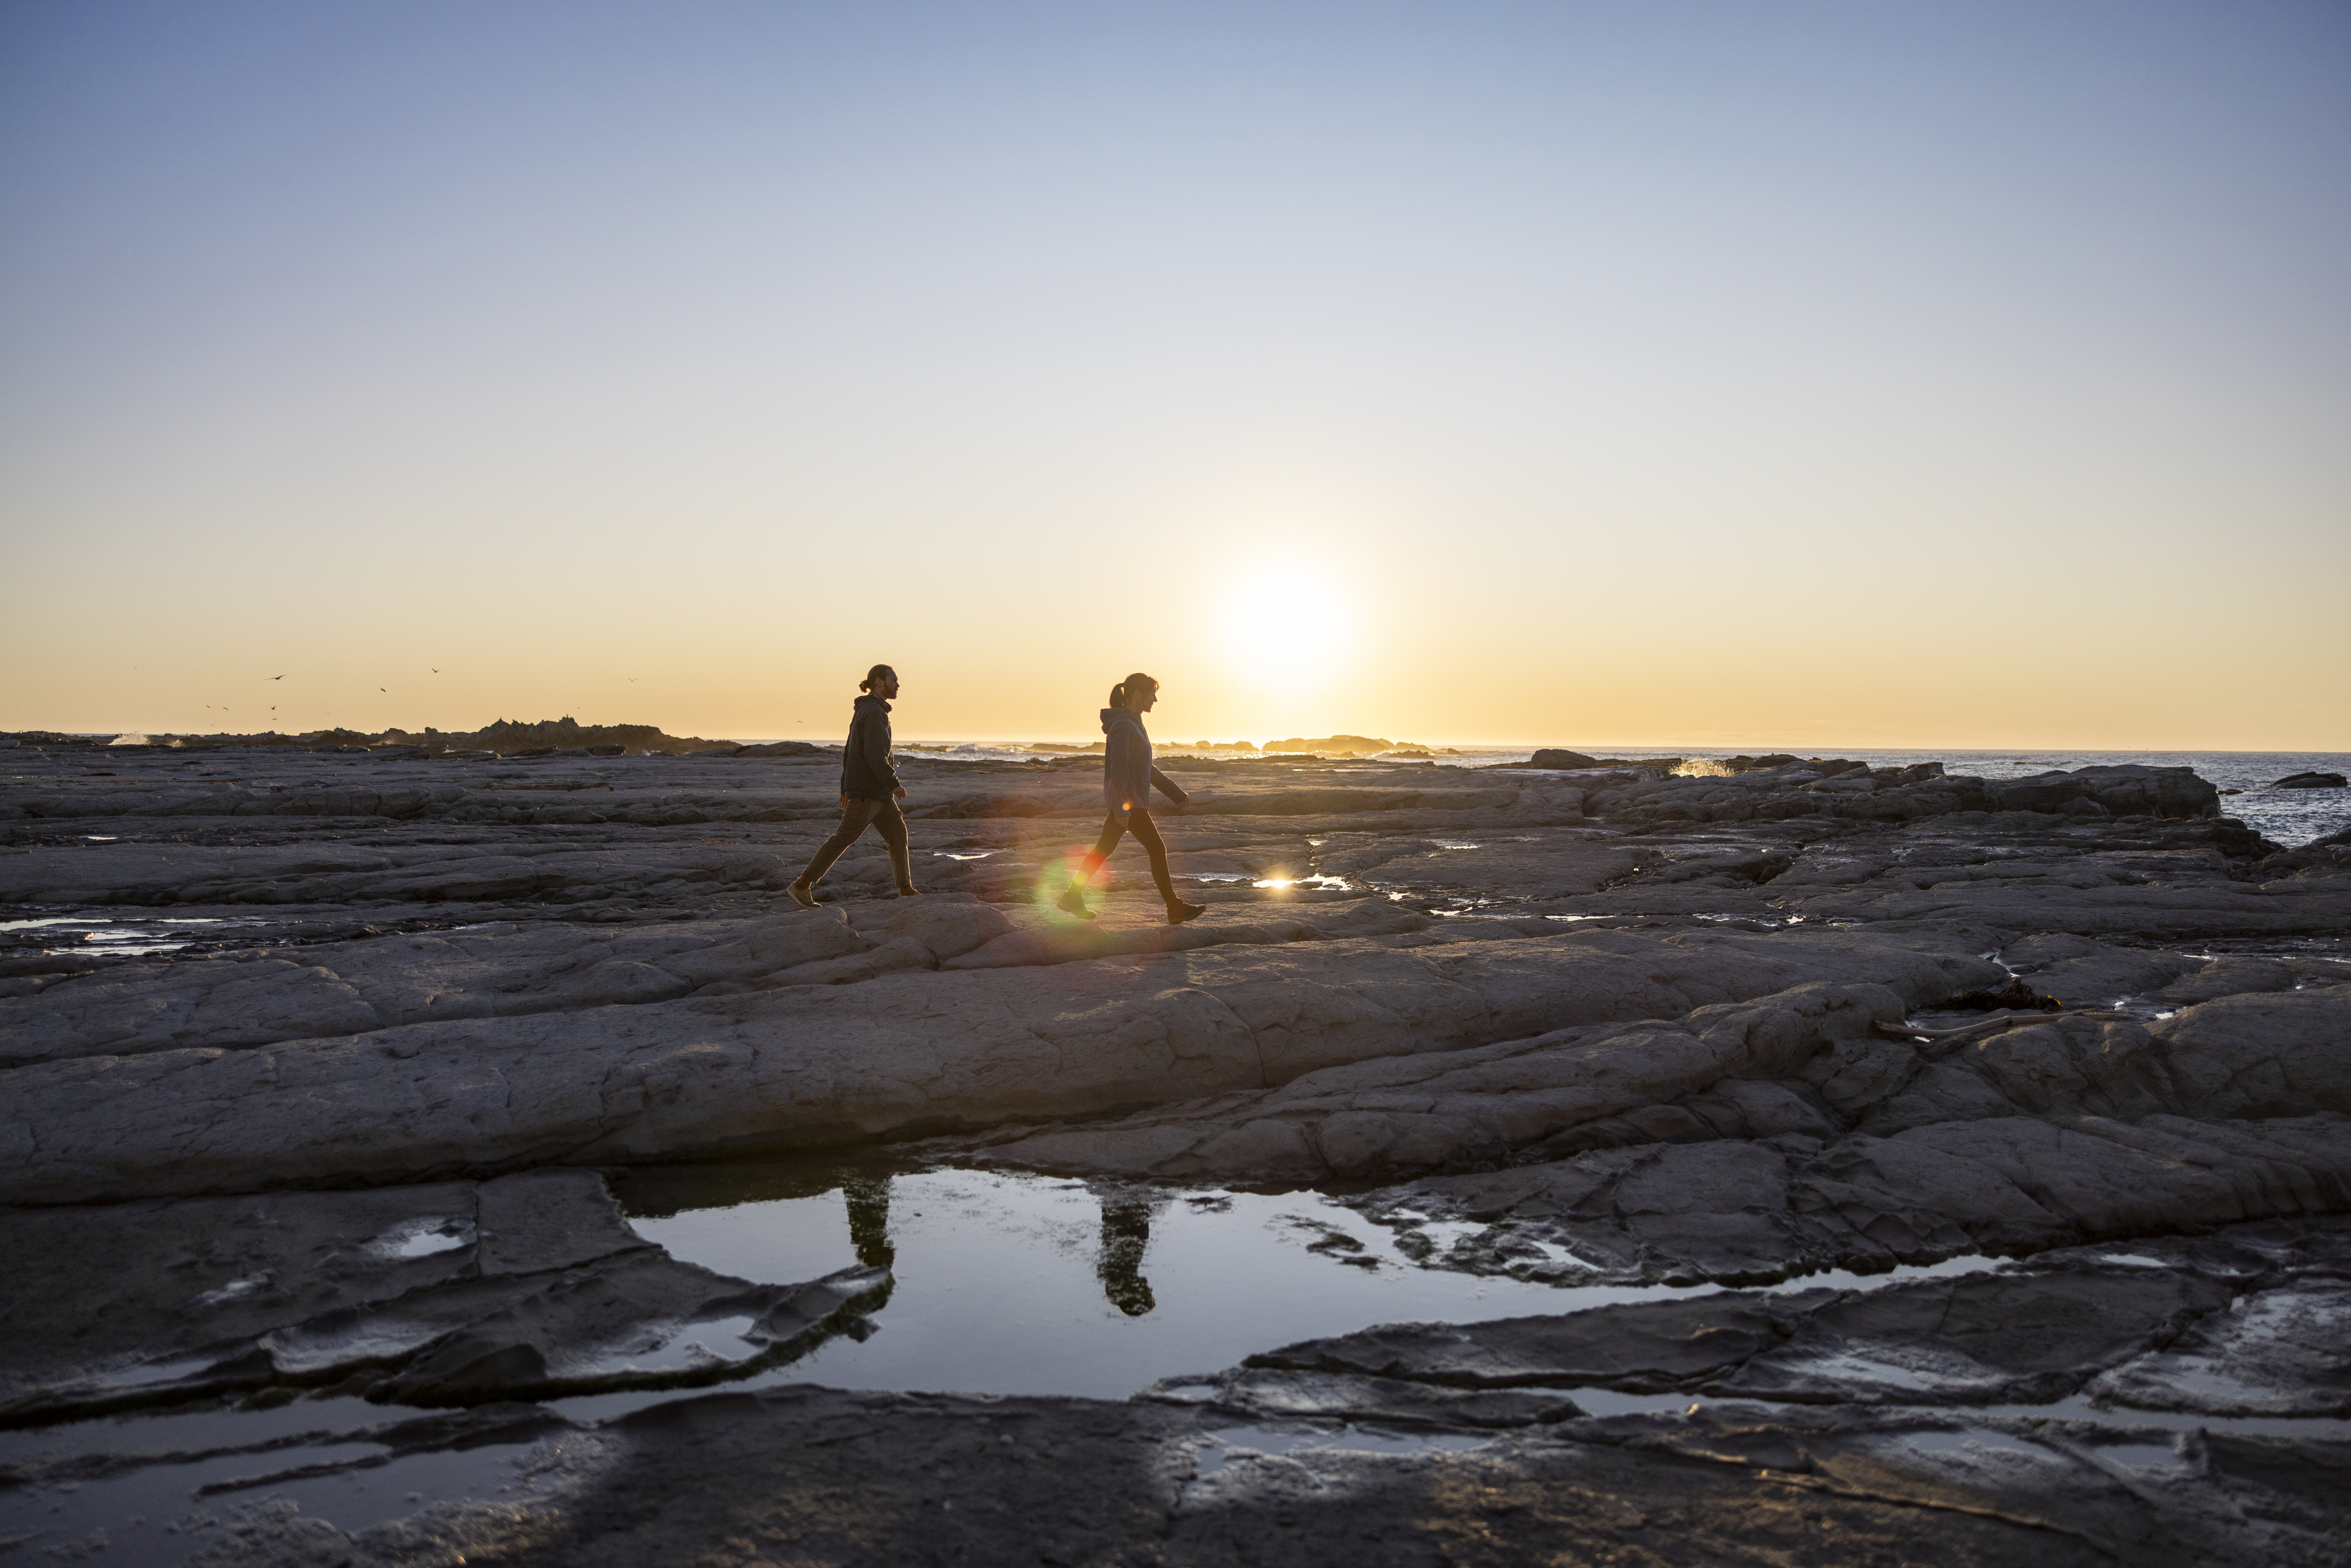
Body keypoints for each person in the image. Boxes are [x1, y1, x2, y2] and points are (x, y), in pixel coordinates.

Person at [1056, 672, 1206, 924]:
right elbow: (1119, 771)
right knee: (1157, 849)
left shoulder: (1134, 722)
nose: (1155, 700)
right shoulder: (1125, 726)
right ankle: (1174, 908)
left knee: (1103, 849)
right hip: (1130, 804)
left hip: (1129, 802)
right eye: (1151, 694)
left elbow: (1145, 767)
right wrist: (1122, 809)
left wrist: (1174, 792)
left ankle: (1072, 896)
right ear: (1137, 694)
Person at [789, 664, 917, 908]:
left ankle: (906, 889)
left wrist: (844, 787)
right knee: (844, 838)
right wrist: (894, 783)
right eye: (894, 680)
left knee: (898, 835)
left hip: (877, 794)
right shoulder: (873, 712)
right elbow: (873, 754)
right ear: (879, 682)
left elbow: (849, 751)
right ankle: (801, 886)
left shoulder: (868, 710)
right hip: (869, 792)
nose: (898, 685)